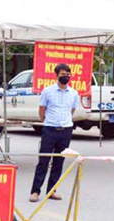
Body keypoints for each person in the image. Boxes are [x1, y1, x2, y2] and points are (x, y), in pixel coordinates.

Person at [30, 63, 79, 203]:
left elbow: (72, 110)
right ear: (56, 75)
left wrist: (64, 122)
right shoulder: (48, 91)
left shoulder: (74, 93)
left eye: (67, 75)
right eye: (63, 75)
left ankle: (52, 190)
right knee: (43, 161)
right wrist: (48, 121)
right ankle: (35, 191)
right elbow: (41, 110)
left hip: (66, 130)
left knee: (59, 162)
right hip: (49, 130)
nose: (65, 77)